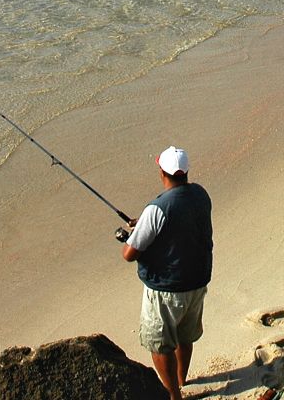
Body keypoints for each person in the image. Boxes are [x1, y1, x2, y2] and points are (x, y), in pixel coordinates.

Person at [122, 146, 213, 400]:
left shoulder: (157, 209)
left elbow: (129, 254)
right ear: (186, 171)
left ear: (161, 170)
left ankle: (174, 395)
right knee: (185, 336)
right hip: (197, 281)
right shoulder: (201, 195)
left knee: (160, 343)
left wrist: (133, 233)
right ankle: (182, 379)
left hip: (166, 289)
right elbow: (179, 221)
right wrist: (144, 223)